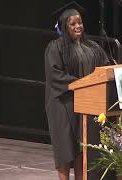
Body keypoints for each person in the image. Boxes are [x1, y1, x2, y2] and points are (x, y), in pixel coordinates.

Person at [44, 3, 109, 180]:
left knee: (82, 147)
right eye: (72, 24)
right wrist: (82, 83)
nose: (77, 26)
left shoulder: (93, 47)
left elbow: (105, 67)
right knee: (65, 149)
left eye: (79, 22)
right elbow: (55, 74)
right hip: (63, 103)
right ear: (65, 26)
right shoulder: (55, 47)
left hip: (86, 103)